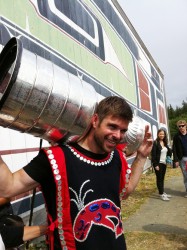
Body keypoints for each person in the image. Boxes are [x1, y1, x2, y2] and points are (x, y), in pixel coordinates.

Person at [0, 96, 153, 250]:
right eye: (112, 127)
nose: (118, 136)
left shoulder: (117, 157)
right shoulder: (56, 158)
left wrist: (141, 157)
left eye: (123, 130)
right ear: (95, 120)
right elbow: (9, 187)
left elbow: (124, 191)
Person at [151, 129, 172, 201]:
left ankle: (162, 191)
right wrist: (155, 164)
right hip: (158, 163)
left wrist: (169, 156)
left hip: (164, 163)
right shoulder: (155, 143)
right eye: (160, 134)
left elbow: (168, 151)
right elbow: (153, 155)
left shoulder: (165, 142)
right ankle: (161, 194)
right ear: (157, 134)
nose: (162, 135)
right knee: (159, 179)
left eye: (163, 134)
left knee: (162, 178)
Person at [172, 120, 187, 197]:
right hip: (182, 158)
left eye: (183, 125)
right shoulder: (176, 136)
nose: (181, 127)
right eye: (179, 126)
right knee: (185, 175)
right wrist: (176, 160)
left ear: (186, 126)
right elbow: (174, 148)